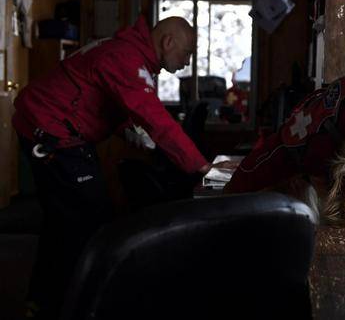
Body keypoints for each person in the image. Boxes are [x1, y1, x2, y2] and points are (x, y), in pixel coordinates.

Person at [12, 16, 213, 319]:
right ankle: (81, 303)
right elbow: (156, 119)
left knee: (65, 222)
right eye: (187, 54)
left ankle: (43, 302)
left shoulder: (127, 52)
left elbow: (104, 97)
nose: (186, 62)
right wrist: (201, 167)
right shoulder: (126, 58)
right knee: (91, 221)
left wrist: (128, 129)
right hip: (52, 131)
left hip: (57, 129)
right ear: (168, 42)